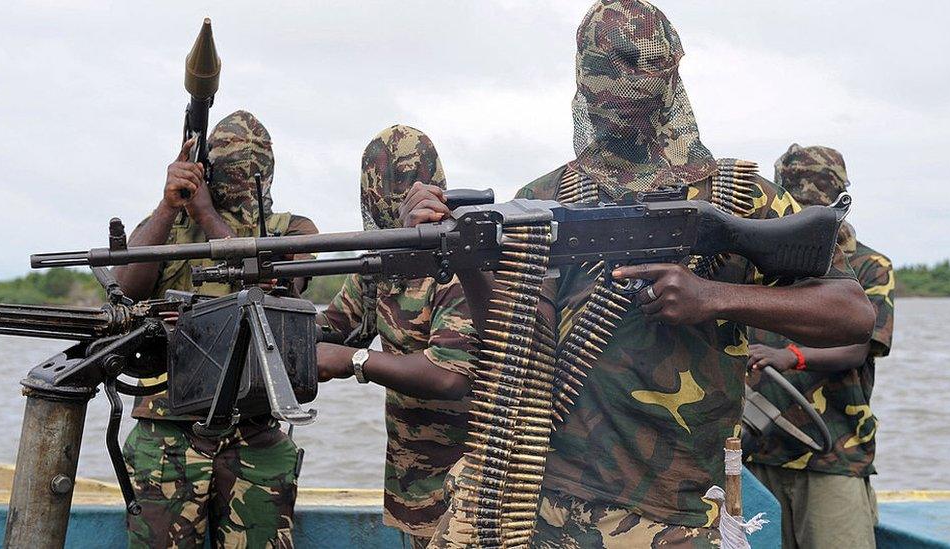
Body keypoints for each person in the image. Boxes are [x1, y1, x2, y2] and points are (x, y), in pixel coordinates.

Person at [401, 1, 875, 547]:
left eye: (634, 69)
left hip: (669, 515)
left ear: (669, 75)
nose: (619, 92)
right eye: (605, 73)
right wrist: (468, 263)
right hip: (533, 497)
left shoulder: (740, 198)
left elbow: (852, 314)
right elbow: (517, 346)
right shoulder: (543, 199)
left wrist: (714, 296)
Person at [114, 110, 318, 548]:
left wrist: (208, 217)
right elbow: (125, 291)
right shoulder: (164, 228)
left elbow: (282, 286)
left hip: (255, 431)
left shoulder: (293, 230)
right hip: (166, 433)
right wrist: (170, 207)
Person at [316, 125, 479, 548]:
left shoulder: (461, 264)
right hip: (413, 494)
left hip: (474, 494)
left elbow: (449, 375)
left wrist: (354, 361)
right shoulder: (381, 270)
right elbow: (327, 333)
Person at [744, 144, 894, 549]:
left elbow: (858, 348)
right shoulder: (757, 268)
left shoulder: (867, 267)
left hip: (834, 456)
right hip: (758, 454)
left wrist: (789, 356)